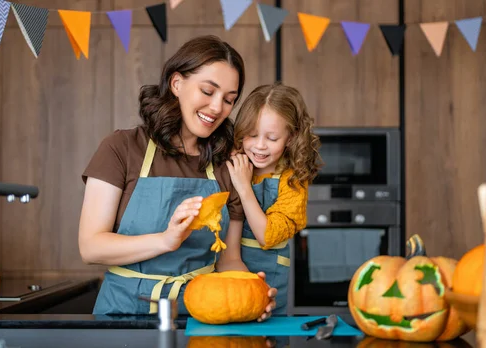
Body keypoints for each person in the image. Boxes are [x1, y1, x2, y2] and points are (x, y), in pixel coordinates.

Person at [78, 35, 277, 319]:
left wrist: (252, 294)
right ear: (176, 84)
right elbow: (91, 247)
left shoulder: (226, 164)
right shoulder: (122, 149)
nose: (217, 107)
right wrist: (166, 240)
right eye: (208, 91)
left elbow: (228, 259)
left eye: (229, 100)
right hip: (121, 315)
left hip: (200, 316)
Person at [226, 82, 322, 315]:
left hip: (269, 280)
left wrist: (244, 187)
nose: (259, 146)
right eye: (251, 135)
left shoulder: (293, 181)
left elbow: (266, 236)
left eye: (271, 138)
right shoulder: (232, 159)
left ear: (290, 138)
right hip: (225, 271)